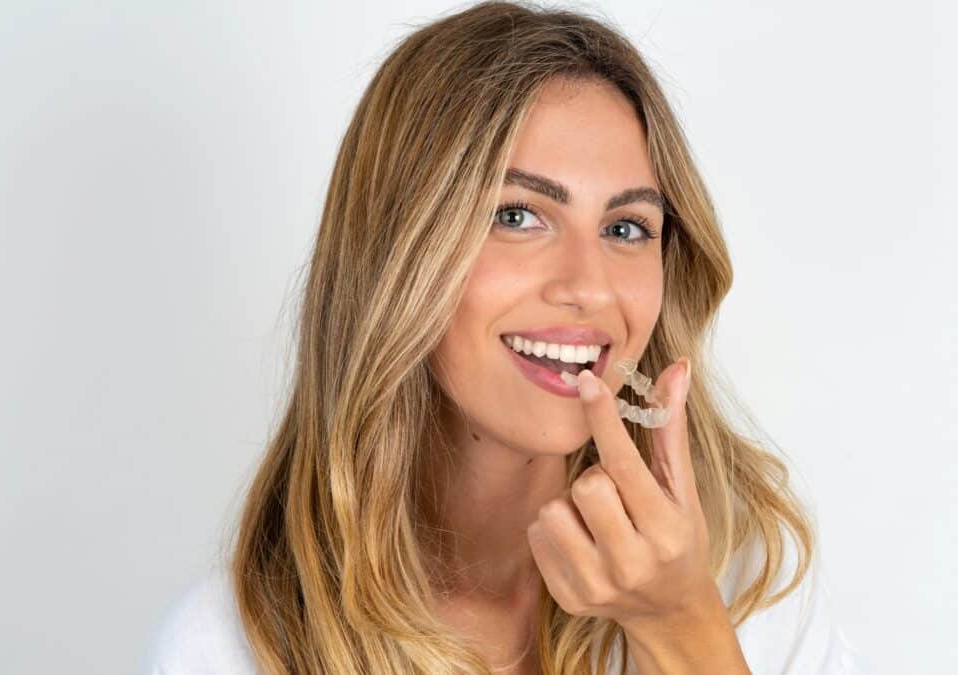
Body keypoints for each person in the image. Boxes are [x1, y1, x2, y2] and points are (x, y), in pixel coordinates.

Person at [144, 1, 871, 673]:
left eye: (625, 228)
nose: (589, 287)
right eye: (519, 216)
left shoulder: (751, 584)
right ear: (400, 249)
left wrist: (682, 626)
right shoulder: (230, 649)